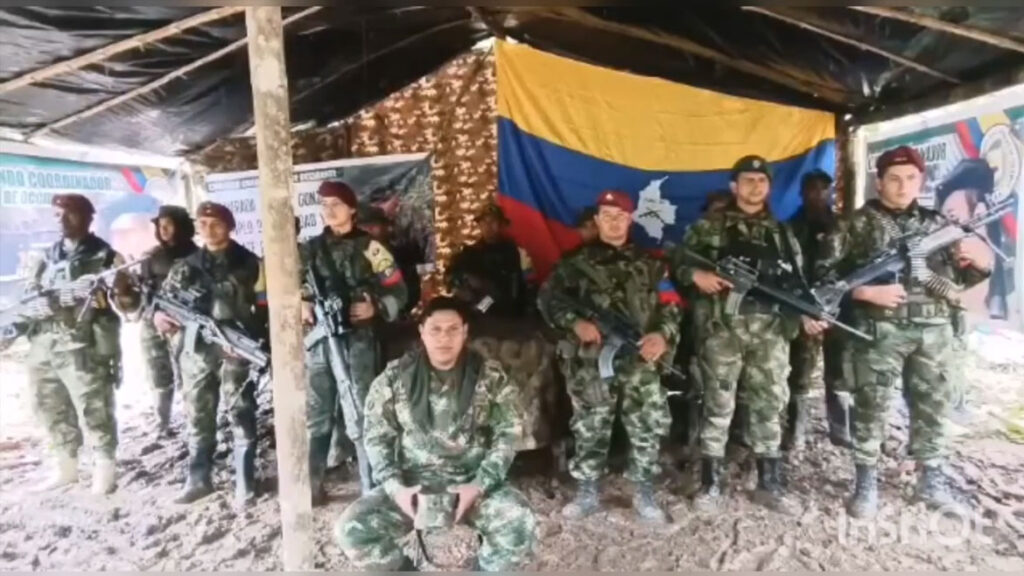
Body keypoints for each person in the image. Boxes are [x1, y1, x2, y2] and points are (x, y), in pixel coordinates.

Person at [809, 146, 992, 519]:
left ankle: (932, 480)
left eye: (911, 178)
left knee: (933, 407)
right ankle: (866, 482)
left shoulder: (938, 223)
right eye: (894, 178)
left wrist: (980, 266)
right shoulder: (852, 226)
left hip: (935, 330)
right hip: (879, 331)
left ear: (921, 181)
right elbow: (821, 281)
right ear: (880, 181)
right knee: (871, 405)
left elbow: (957, 279)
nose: (902, 185)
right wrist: (864, 292)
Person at [335, 296, 536, 571]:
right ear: (422, 332)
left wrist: (480, 484)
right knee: (352, 530)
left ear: (465, 332)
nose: (444, 338)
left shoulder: (490, 376)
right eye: (436, 330)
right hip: (413, 486)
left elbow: (509, 433)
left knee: (518, 520)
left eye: (453, 329)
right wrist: (396, 489)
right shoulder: (395, 378)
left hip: (471, 482)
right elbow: (376, 437)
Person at [672, 155, 820, 514]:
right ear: (734, 186)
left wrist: (806, 314)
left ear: (769, 187)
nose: (756, 186)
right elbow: (677, 262)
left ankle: (770, 483)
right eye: (748, 180)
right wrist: (696, 277)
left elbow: (797, 285)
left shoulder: (784, 234)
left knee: (770, 405)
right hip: (722, 332)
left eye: (762, 180)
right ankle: (710, 483)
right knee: (717, 405)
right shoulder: (709, 227)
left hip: (770, 334)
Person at [538, 190, 682, 523]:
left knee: (645, 425)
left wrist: (662, 335)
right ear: (597, 220)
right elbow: (548, 300)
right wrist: (576, 323)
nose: (614, 222)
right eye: (607, 215)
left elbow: (671, 305)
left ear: (630, 220)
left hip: (640, 361)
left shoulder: (651, 266)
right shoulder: (574, 265)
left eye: (620, 216)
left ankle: (644, 493)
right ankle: (588, 492)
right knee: (590, 426)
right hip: (591, 362)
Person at [17, 193, 140, 495]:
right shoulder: (44, 257)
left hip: (84, 345)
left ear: (87, 217)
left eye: (69, 213)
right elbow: (28, 296)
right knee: (49, 404)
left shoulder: (107, 258)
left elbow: (130, 304)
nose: (62, 219)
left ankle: (104, 469)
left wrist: (123, 291)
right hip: (45, 343)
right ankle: (66, 466)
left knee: (93, 406)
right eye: (58, 214)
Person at [153, 201, 268, 506]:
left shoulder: (252, 264)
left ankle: (245, 481)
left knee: (241, 412)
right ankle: (198, 479)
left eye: (215, 223)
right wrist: (159, 318)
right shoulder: (186, 266)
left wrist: (250, 339)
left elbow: (265, 308)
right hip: (197, 354)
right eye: (202, 224)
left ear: (229, 226)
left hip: (235, 351)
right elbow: (161, 304)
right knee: (198, 415)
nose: (208, 229)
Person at [301, 181, 408, 504]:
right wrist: (300, 302)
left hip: (358, 343)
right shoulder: (308, 249)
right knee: (317, 413)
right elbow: (287, 284)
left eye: (335, 204)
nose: (329, 210)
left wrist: (375, 306)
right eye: (324, 205)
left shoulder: (372, 248)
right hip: (320, 343)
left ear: (351, 209)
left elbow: (400, 292)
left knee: (361, 413)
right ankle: (312, 486)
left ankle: (370, 486)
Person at [784, 169, 837, 451]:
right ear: (801, 193)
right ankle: (796, 430)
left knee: (841, 371)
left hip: (839, 310)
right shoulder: (790, 228)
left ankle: (840, 429)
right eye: (811, 190)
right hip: (804, 309)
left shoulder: (841, 225)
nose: (817, 195)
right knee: (801, 373)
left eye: (823, 189)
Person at [138, 205, 198, 436]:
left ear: (182, 227)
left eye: (168, 225)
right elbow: (145, 292)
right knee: (157, 371)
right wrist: (154, 315)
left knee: (189, 373)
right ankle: (162, 421)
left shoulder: (197, 257)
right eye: (159, 226)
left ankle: (194, 420)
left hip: (184, 323)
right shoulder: (151, 257)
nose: (163, 230)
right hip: (153, 321)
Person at [448, 204, 534, 317]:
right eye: (485, 222)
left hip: (507, 306)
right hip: (481, 305)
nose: (489, 226)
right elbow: (451, 277)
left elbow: (526, 279)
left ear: (501, 225)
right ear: (480, 225)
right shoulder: (470, 252)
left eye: (493, 222)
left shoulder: (514, 251)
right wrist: (467, 280)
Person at [360, 205, 422, 317]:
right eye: (363, 227)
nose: (368, 231)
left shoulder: (403, 254)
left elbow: (411, 294)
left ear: (386, 227)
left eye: (373, 226)